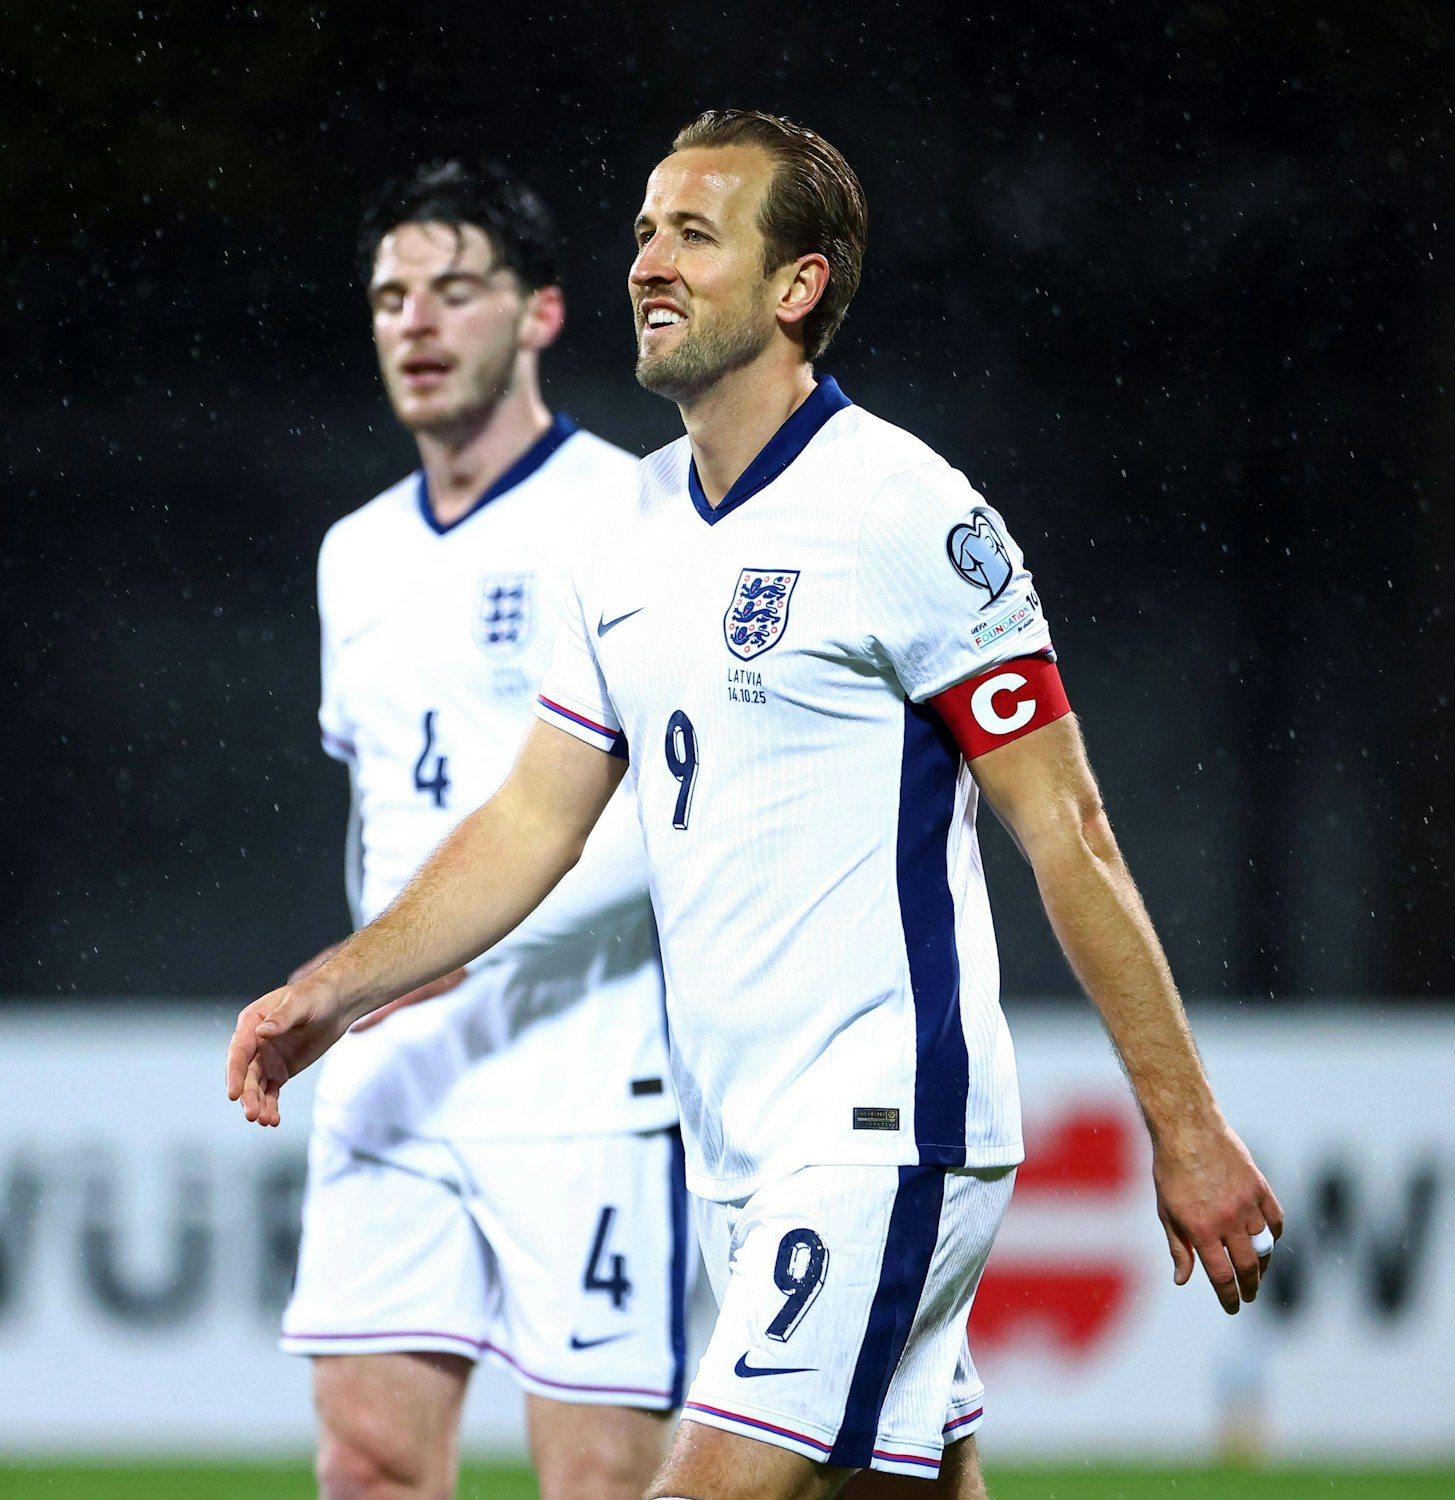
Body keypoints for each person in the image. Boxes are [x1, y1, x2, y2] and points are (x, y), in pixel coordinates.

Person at [233, 114, 1282, 1500]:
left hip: (884, 1128)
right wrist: (335, 987)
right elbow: (530, 822)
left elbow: (1067, 829)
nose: (648, 265)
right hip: (741, 1150)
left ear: (797, 288)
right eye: (644, 234)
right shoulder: (625, 531)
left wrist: (1184, 1120)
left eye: (693, 235)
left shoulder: (902, 511)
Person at [273, 159, 687, 1500]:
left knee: (600, 1485)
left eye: (456, 291)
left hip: (587, 1066)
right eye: (393, 297)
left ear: (543, 316)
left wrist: (453, 938)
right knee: (370, 1460)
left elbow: (673, 811)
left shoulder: (638, 514)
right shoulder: (356, 553)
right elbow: (376, 811)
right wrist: (379, 963)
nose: (417, 324)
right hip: (395, 1064)